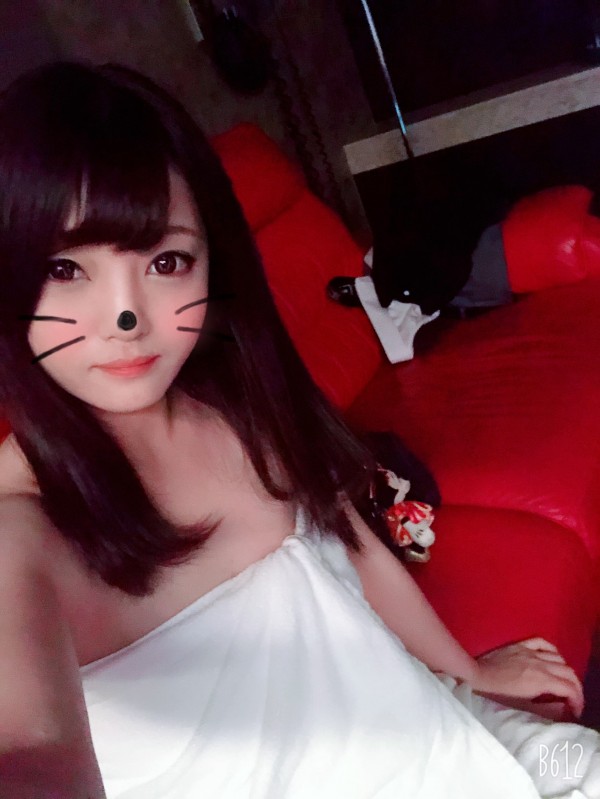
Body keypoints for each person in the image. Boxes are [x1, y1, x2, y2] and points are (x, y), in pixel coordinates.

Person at [0, 61, 598, 799]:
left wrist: (468, 672)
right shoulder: (21, 529)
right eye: (65, 269)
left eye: (166, 261)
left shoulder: (239, 405)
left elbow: (346, 540)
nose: (126, 317)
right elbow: (30, 749)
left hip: (452, 734)